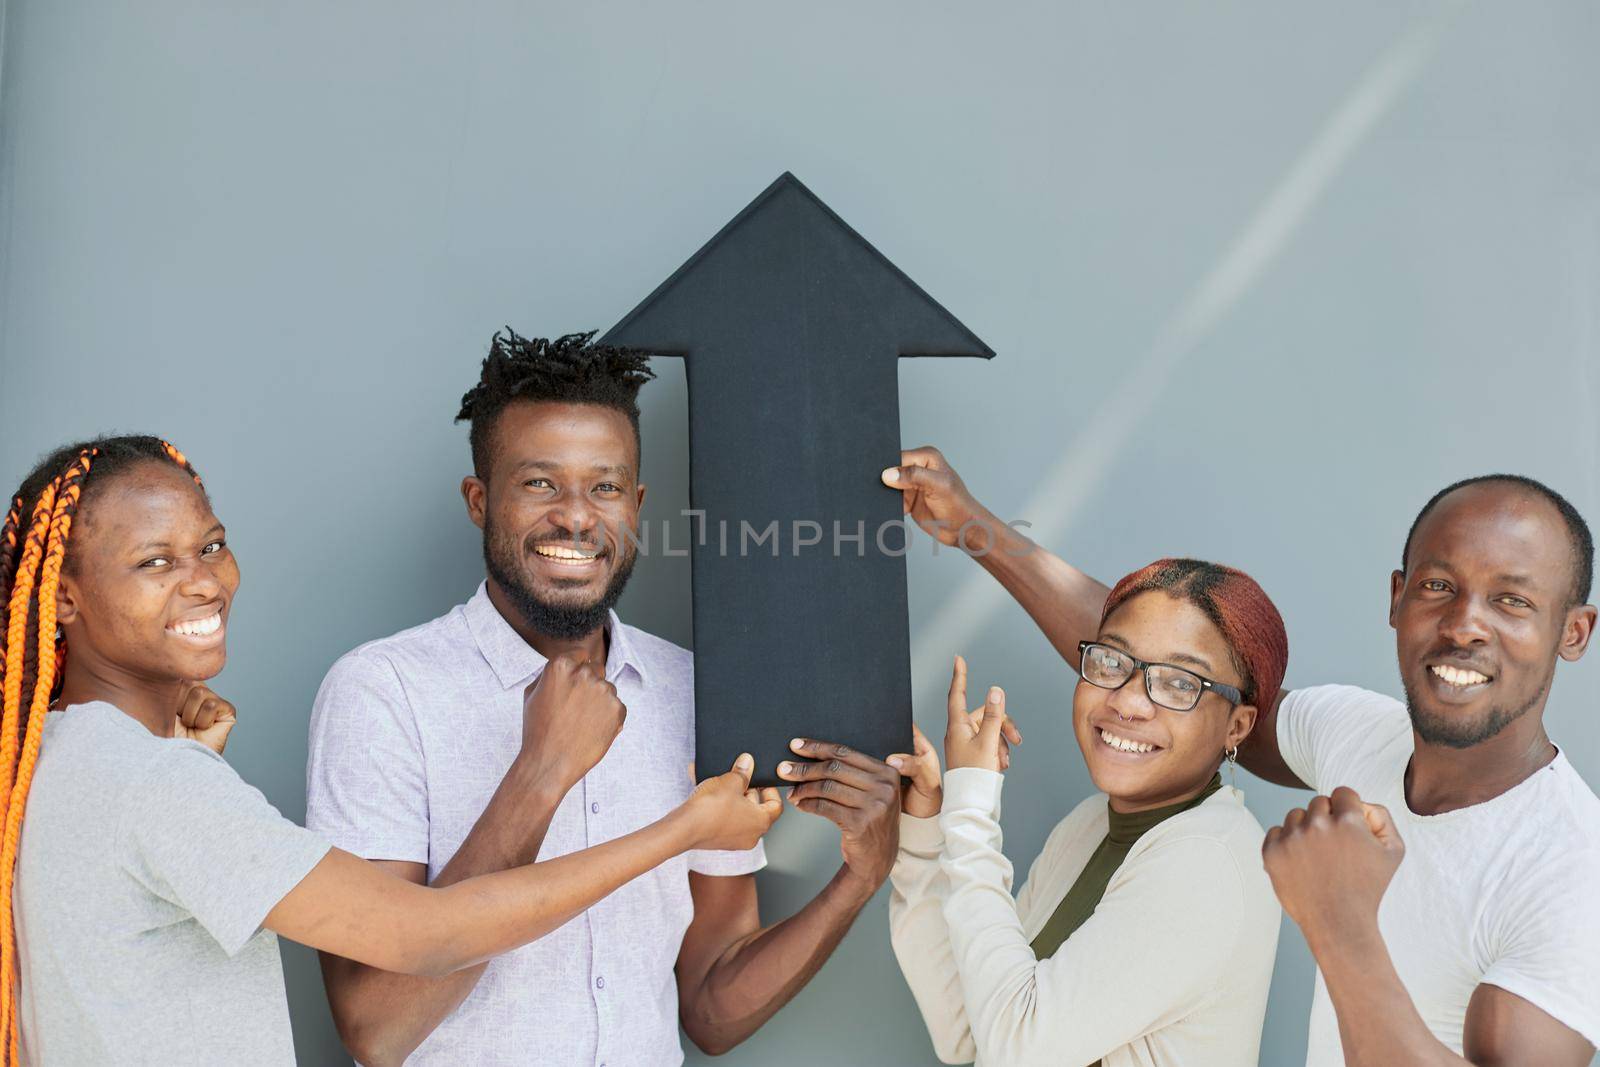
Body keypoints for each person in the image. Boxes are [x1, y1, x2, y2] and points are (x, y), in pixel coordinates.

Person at [1, 434, 776, 1067]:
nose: (205, 581)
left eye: (211, 545)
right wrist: (684, 829)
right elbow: (425, 935)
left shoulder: (64, 757)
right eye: (155, 561)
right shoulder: (160, 781)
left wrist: (188, 760)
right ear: (63, 596)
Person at [882, 449, 1600, 1066]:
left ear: (1574, 632)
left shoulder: (1572, 873)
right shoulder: (1361, 736)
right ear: (1397, 597)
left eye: (1512, 601)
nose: (1465, 624)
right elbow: (1181, 670)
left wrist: (1340, 922)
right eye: (1439, 586)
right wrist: (972, 528)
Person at [307, 329, 906, 1066]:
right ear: (478, 499)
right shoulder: (381, 693)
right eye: (539, 483)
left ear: (637, 504)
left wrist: (860, 877)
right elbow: (377, 1026)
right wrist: (541, 772)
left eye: (606, 485)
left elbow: (713, 1008)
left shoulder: (697, 691)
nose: (578, 515)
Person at [887, 558, 1284, 1065]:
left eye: (1181, 683)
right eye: (1112, 662)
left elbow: (1019, 1050)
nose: (1130, 703)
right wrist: (925, 832)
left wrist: (973, 808)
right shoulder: (1090, 824)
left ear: (1237, 727)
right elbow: (965, 1029)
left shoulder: (1209, 861)